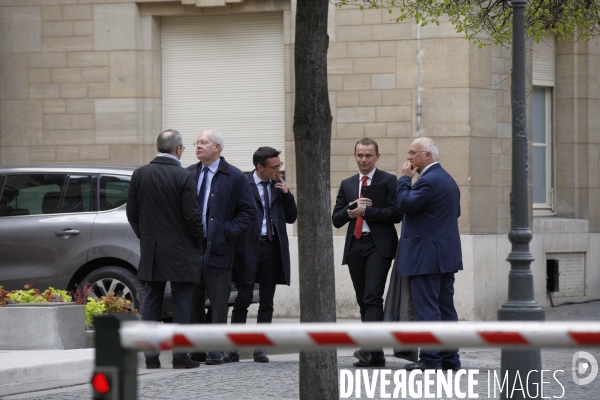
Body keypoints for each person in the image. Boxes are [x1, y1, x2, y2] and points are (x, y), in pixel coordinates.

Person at [126, 129, 203, 370]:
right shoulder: (183, 176)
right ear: (178, 149)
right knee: (182, 302)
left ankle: (151, 357)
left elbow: (132, 212)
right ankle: (180, 356)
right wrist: (198, 241)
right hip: (182, 249)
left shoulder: (140, 174)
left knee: (152, 300)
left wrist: (145, 237)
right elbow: (192, 216)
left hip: (153, 248)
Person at [188, 129, 257, 365]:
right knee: (193, 301)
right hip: (193, 248)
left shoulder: (235, 177)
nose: (198, 146)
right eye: (196, 143)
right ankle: (196, 349)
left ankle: (216, 349)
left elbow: (249, 213)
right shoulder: (188, 174)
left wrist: (226, 231)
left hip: (220, 248)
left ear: (217, 147)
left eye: (204, 143)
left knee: (218, 302)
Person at [332, 138, 402, 368]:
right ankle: (376, 353)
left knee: (373, 296)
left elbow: (396, 214)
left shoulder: (388, 180)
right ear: (355, 156)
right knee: (363, 299)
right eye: (360, 155)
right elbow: (336, 219)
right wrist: (351, 211)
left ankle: (369, 349)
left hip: (379, 245)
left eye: (368, 155)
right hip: (355, 245)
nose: (363, 159)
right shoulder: (348, 183)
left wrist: (368, 211)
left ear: (377, 157)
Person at [224, 147, 298, 363]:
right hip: (248, 249)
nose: (279, 170)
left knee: (267, 300)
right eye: (274, 167)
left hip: (272, 248)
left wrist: (286, 193)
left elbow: (292, 217)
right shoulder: (243, 185)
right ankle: (234, 348)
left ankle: (260, 347)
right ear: (260, 167)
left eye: (280, 166)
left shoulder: (278, 186)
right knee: (243, 298)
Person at [396, 137, 463, 371]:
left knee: (428, 310)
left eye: (412, 153)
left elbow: (405, 204)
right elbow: (455, 212)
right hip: (445, 256)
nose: (408, 158)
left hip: (425, 257)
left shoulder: (428, 181)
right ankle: (450, 359)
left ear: (427, 155)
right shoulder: (448, 180)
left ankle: (431, 359)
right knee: (446, 309)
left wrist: (404, 179)